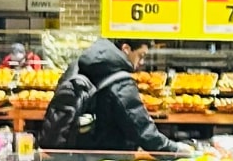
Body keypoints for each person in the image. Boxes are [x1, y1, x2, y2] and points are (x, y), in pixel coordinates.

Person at [37, 37, 180, 153]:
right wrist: (175, 150)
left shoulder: (77, 67)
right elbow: (142, 130)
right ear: (126, 49)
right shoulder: (121, 82)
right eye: (140, 56)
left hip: (74, 154)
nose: (141, 62)